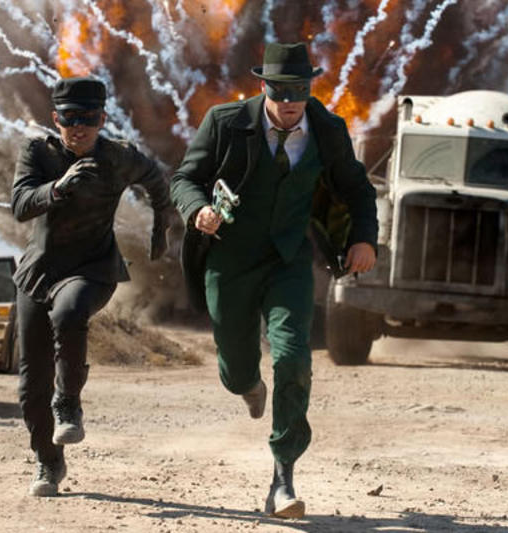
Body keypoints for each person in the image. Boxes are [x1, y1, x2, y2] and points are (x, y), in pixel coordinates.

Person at [170, 42, 378, 518]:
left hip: (289, 261)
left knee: (292, 357)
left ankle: (283, 476)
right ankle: (247, 384)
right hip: (230, 259)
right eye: (280, 90)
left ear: (309, 89)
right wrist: (197, 209)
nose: (289, 101)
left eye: (299, 90)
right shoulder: (225, 122)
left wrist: (365, 240)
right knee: (235, 365)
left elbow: (357, 188)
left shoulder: (327, 129)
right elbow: (184, 178)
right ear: (263, 86)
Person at [11, 76, 172, 497]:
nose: (78, 127)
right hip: (39, 272)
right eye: (70, 118)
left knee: (69, 313)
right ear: (56, 119)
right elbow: (20, 205)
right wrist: (58, 188)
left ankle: (69, 402)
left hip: (93, 270)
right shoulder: (38, 152)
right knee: (31, 387)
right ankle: (49, 461)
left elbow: (157, 182)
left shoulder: (118, 157)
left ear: (102, 120)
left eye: (88, 118)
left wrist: (161, 229)